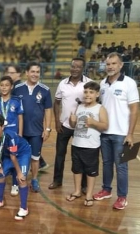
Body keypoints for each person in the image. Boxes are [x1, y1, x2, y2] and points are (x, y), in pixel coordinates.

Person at [94, 52, 139, 210]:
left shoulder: (129, 83)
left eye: (114, 63)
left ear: (121, 65)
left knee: (121, 166)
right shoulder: (102, 84)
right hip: (104, 132)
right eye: (108, 64)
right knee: (106, 163)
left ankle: (122, 197)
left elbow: (134, 110)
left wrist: (130, 134)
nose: (110, 66)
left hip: (122, 134)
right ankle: (106, 189)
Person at [50, 57, 92, 191]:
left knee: (81, 155)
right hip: (64, 126)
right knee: (60, 155)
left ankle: (84, 185)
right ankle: (57, 180)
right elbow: (56, 103)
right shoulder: (62, 83)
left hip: (81, 126)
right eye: (73, 66)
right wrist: (57, 121)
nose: (75, 69)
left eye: (78, 67)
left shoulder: (89, 83)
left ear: (83, 69)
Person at [66, 81, 108, 206]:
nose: (87, 94)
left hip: (91, 146)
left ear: (97, 94)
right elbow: (74, 125)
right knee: (76, 169)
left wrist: (93, 122)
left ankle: (89, 194)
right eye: (85, 92)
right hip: (77, 143)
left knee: (91, 171)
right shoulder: (80, 107)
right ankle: (77, 191)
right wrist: (71, 121)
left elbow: (105, 126)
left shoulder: (100, 108)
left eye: (91, 92)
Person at [13, 62, 52, 193]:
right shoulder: (17, 88)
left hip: (36, 131)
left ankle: (34, 180)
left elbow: (48, 110)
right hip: (20, 131)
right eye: (33, 71)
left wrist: (47, 129)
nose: (35, 74)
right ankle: (18, 179)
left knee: (35, 158)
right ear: (27, 73)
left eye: (37, 72)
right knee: (19, 156)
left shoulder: (45, 90)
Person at [0, 114, 31, 221]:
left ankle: (24, 208)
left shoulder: (10, 136)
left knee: (21, 179)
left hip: (22, 154)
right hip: (8, 155)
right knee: (1, 175)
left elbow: (13, 157)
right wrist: (0, 166)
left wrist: (20, 173)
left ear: (2, 127)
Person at [0, 76, 24, 196]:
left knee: (14, 157)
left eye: (6, 85)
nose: (4, 87)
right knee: (2, 156)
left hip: (13, 135)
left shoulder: (16, 100)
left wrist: (20, 134)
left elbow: (20, 117)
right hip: (0, 136)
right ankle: (0, 183)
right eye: (2, 85)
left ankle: (15, 184)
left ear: (11, 87)